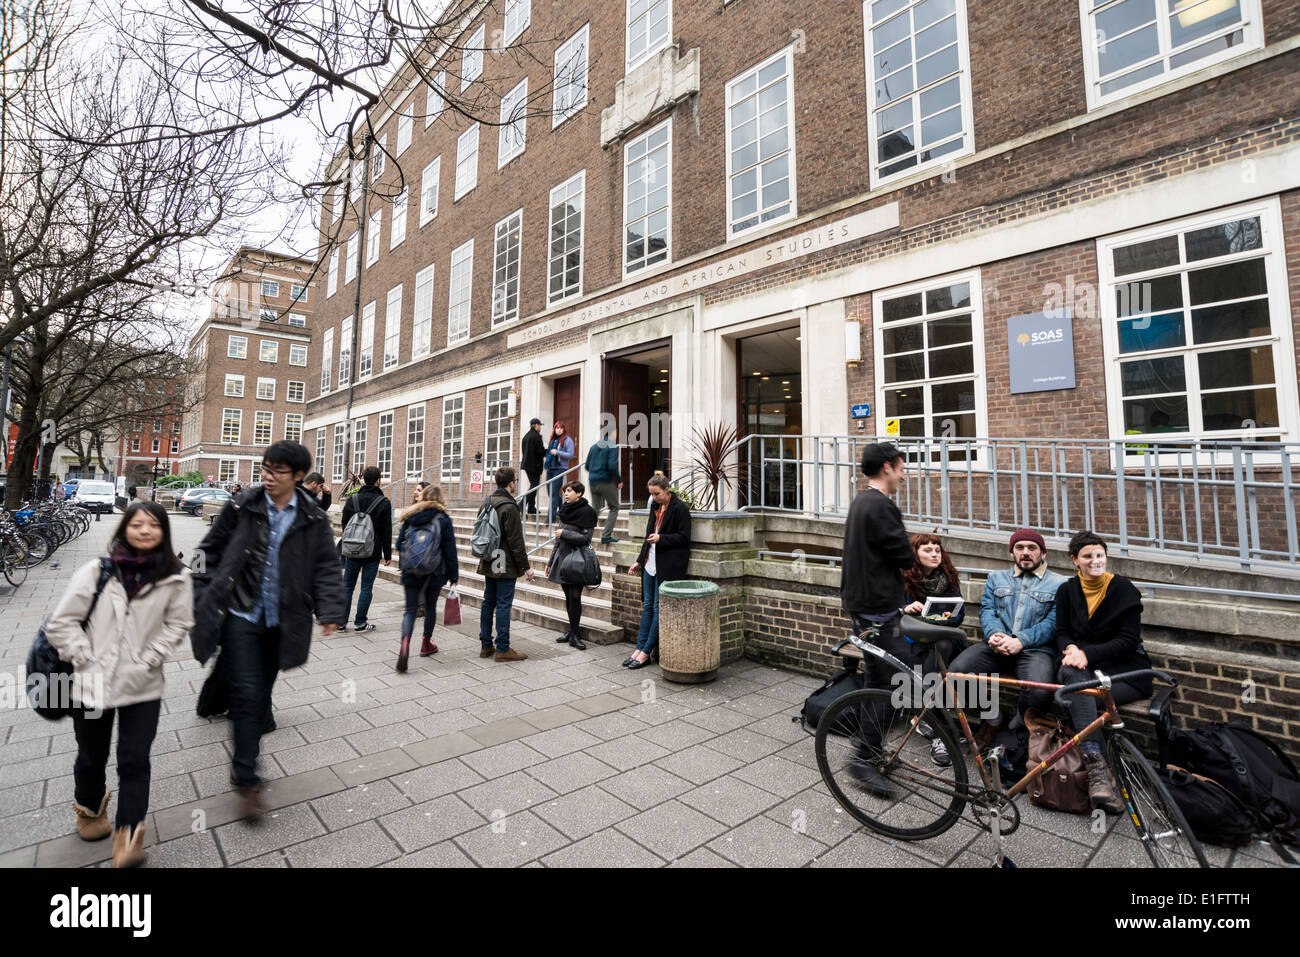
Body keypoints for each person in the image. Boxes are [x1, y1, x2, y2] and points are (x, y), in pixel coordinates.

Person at [191, 441, 345, 820]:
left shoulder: (312, 517)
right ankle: (247, 777)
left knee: (259, 697)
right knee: (245, 694)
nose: (267, 476)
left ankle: (243, 761)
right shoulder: (243, 504)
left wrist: (329, 609)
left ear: (297, 476)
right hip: (241, 615)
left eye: (277, 470)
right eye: (265, 468)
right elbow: (206, 550)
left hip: (282, 620)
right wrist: (199, 592)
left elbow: (326, 565)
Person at [45, 502, 192, 867]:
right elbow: (61, 623)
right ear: (124, 528)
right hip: (90, 687)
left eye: (153, 525)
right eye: (137, 524)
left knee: (135, 759)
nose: (145, 531)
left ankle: (129, 837)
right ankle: (90, 811)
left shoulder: (176, 577)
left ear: (164, 532)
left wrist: (151, 656)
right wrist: (83, 656)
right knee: (92, 756)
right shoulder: (96, 572)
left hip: (143, 686)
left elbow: (179, 623)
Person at [947, 528, 1066, 776]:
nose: (1025, 552)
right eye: (1020, 547)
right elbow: (987, 611)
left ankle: (1011, 734)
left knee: (1040, 688)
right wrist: (995, 636)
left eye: (1032, 548)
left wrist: (1021, 640)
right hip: (996, 645)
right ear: (1011, 552)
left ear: (1043, 553)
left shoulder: (1059, 584)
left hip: (1035, 650)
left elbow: (1055, 622)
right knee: (957, 672)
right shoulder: (996, 578)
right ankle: (992, 719)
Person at [839, 442, 916, 797]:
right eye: (901, 467)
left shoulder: (860, 502)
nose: (904, 474)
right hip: (878, 612)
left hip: (863, 608)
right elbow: (904, 557)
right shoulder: (882, 506)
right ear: (887, 467)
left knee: (876, 679)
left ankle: (869, 751)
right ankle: (863, 759)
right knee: (902, 683)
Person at [1056, 530, 1151, 815]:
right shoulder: (1066, 591)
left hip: (1125, 670)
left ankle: (1096, 769)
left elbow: (1128, 641)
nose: (1095, 561)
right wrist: (1072, 648)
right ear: (1075, 560)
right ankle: (1098, 766)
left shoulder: (1123, 589)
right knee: (1073, 681)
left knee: (1077, 695)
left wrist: (1086, 653)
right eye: (1087, 556)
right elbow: (1061, 633)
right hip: (1083, 669)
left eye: (1100, 555)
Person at [899, 533, 967, 766]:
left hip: (944, 639)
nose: (934, 554)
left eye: (937, 550)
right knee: (934, 666)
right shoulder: (903, 577)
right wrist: (906, 608)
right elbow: (893, 608)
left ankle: (927, 717)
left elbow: (959, 617)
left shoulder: (948, 577)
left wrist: (944, 617)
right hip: (915, 639)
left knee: (942, 648)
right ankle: (941, 732)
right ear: (915, 554)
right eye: (927, 550)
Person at [626, 473, 691, 670]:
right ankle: (638, 649)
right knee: (648, 607)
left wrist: (662, 538)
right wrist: (639, 560)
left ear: (667, 490)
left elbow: (684, 537)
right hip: (649, 563)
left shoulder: (680, 509)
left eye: (657, 494)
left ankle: (646, 652)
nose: (654, 498)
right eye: (652, 494)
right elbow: (648, 536)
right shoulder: (654, 507)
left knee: (657, 608)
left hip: (668, 565)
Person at [394, 485, 459, 671]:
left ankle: (405, 642)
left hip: (411, 571)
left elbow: (399, 544)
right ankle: (426, 643)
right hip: (435, 571)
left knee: (410, 611)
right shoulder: (443, 519)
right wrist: (453, 575)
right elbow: (450, 550)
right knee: (430, 607)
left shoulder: (410, 517)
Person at [476, 466, 534, 662]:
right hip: (504, 560)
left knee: (488, 602)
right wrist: (526, 567)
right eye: (515, 481)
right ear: (511, 483)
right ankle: (503, 648)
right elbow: (516, 542)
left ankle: (485, 645)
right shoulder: (510, 506)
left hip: (489, 557)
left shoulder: (486, 502)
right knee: (502, 604)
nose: (515, 484)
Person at [339, 466, 393, 632]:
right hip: (372, 551)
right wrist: (387, 554)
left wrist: (350, 542)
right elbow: (386, 531)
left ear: (363, 479)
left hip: (352, 550)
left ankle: (341, 622)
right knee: (366, 587)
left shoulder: (353, 499)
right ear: (378, 481)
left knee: (347, 586)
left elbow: (344, 524)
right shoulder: (384, 503)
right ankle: (360, 622)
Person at [546, 481, 597, 651]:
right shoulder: (565, 510)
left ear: (579, 493)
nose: (566, 494)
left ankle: (575, 635)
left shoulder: (588, 512)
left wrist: (565, 533)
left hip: (577, 560)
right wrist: (550, 561)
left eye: (569, 491)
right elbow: (557, 540)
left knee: (575, 596)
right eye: (565, 491)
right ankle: (571, 631)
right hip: (562, 558)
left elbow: (586, 538)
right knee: (568, 597)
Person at [585, 425, 622, 545]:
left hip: (592, 482)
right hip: (604, 481)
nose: (617, 434)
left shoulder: (594, 446)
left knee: (595, 509)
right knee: (614, 507)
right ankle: (606, 536)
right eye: (616, 432)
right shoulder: (611, 445)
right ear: (611, 433)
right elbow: (612, 466)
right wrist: (619, 480)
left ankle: (585, 532)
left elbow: (586, 466)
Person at [544, 421, 575, 524]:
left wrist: (557, 452)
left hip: (560, 468)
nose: (559, 430)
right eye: (557, 428)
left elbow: (570, 454)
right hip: (550, 468)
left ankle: (550, 518)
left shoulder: (567, 440)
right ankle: (563, 510)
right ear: (554, 429)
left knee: (553, 493)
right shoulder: (552, 440)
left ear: (563, 429)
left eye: (561, 428)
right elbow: (549, 453)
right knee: (550, 492)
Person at [521, 417, 545, 517]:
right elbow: (540, 452)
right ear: (536, 426)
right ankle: (521, 504)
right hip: (534, 466)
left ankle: (531, 507)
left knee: (533, 486)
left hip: (527, 465)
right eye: (539, 425)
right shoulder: (537, 436)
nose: (540, 428)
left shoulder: (525, 436)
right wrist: (548, 451)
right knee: (534, 486)